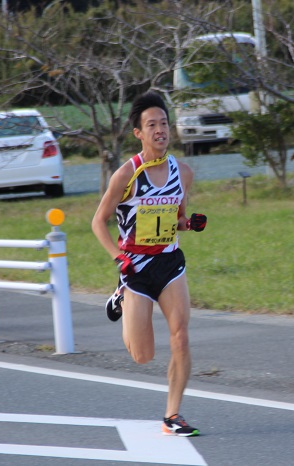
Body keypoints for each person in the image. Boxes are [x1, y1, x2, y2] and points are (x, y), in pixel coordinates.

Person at [91, 90, 207, 437]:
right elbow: (99, 222)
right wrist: (118, 257)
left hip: (170, 263)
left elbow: (178, 218)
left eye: (164, 123)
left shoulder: (182, 172)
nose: (160, 130)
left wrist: (191, 223)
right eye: (152, 125)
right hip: (135, 270)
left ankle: (173, 415)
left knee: (181, 337)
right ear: (139, 133)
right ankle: (122, 296)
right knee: (143, 355)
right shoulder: (125, 175)